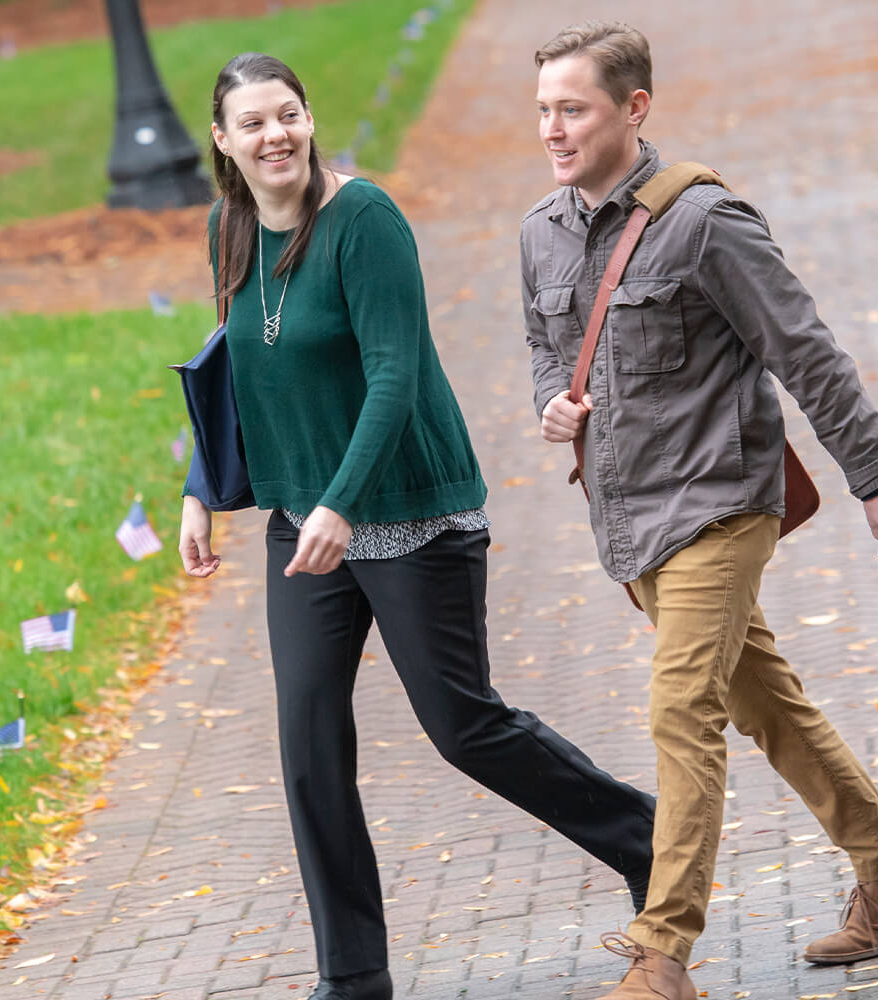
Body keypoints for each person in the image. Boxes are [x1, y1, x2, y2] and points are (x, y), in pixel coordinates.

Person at [176, 52, 657, 1000]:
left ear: (309, 119)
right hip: (301, 525)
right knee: (308, 745)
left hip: (408, 514)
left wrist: (342, 504)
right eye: (254, 123)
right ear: (224, 143)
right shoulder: (229, 227)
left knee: (463, 726)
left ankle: (649, 843)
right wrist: (200, 485)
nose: (276, 136)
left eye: (289, 115)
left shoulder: (365, 222)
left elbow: (395, 374)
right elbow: (237, 368)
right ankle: (352, 975)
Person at [518, 22, 878, 1000]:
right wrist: (551, 399)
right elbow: (547, 344)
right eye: (544, 108)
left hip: (719, 497)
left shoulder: (705, 222)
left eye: (573, 108)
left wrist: (875, 479)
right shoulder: (539, 230)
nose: (553, 127)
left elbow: (807, 352)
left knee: (684, 710)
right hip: (626, 519)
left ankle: (663, 952)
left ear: (634, 109)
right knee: (767, 704)